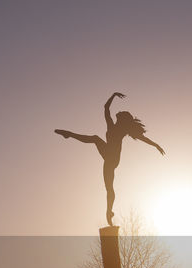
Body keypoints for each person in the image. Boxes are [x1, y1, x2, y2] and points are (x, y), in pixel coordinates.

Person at [56, 92, 164, 226]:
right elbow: (106, 108)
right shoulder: (111, 125)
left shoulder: (122, 130)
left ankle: (70, 135)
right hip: (108, 157)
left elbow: (142, 138)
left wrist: (156, 145)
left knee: (96, 139)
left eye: (119, 116)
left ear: (122, 120)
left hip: (113, 159)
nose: (116, 116)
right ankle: (109, 212)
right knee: (109, 187)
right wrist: (113, 95)